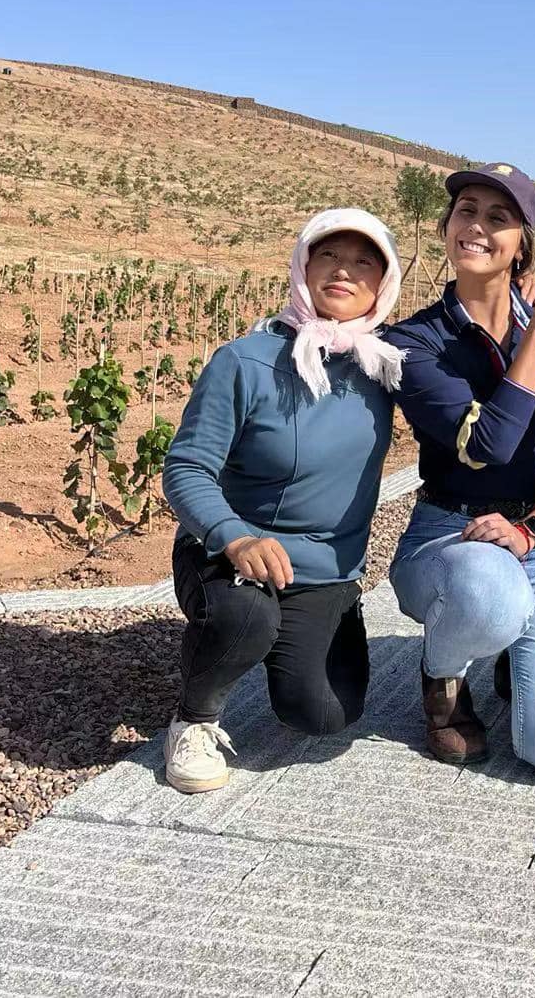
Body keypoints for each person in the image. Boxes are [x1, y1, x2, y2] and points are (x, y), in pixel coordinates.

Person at [383, 162, 535, 780]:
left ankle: (517, 649)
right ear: (446, 226)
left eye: (498, 218)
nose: (477, 227)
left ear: (522, 245)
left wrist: (532, 531)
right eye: (466, 212)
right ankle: (444, 674)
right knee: (489, 594)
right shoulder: (414, 341)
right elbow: (489, 442)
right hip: (451, 539)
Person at [160, 209, 406, 794]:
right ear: (303, 265)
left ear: (384, 282)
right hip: (232, 552)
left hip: (325, 571)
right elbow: (186, 467)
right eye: (328, 255)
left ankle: (290, 634)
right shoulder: (245, 361)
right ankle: (193, 719)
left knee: (323, 717)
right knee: (245, 616)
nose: (343, 271)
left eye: (363, 261)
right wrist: (234, 535)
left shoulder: (384, 367)